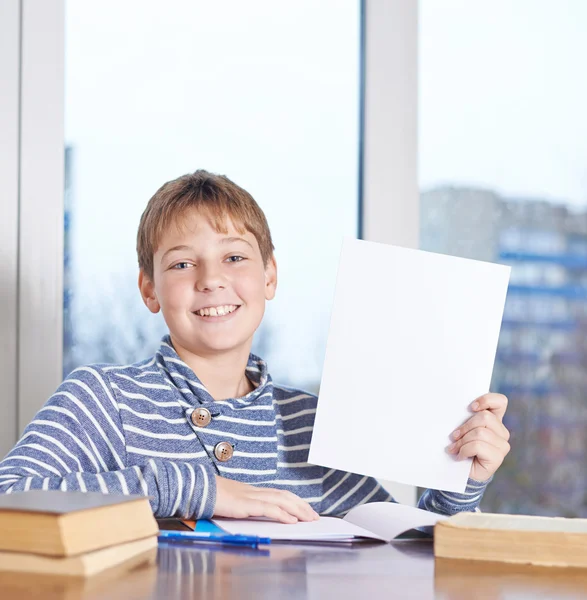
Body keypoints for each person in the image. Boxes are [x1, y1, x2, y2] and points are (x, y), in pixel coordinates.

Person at [0, 170, 511, 523]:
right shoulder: (103, 400)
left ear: (270, 276)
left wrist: (459, 479)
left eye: (235, 258)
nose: (212, 280)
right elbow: (9, 499)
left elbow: (402, 548)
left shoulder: (314, 422)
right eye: (181, 264)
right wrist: (196, 489)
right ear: (149, 289)